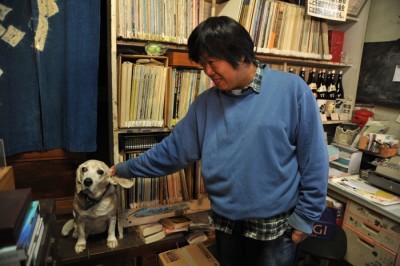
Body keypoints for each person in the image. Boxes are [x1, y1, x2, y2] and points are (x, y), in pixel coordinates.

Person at [111, 16, 328, 266]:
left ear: (241, 54)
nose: (207, 72)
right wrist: (127, 168)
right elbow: (173, 151)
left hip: (275, 228)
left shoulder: (292, 90)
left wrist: (306, 217)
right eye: (203, 64)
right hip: (225, 223)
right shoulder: (205, 103)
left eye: (212, 62)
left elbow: (313, 159)